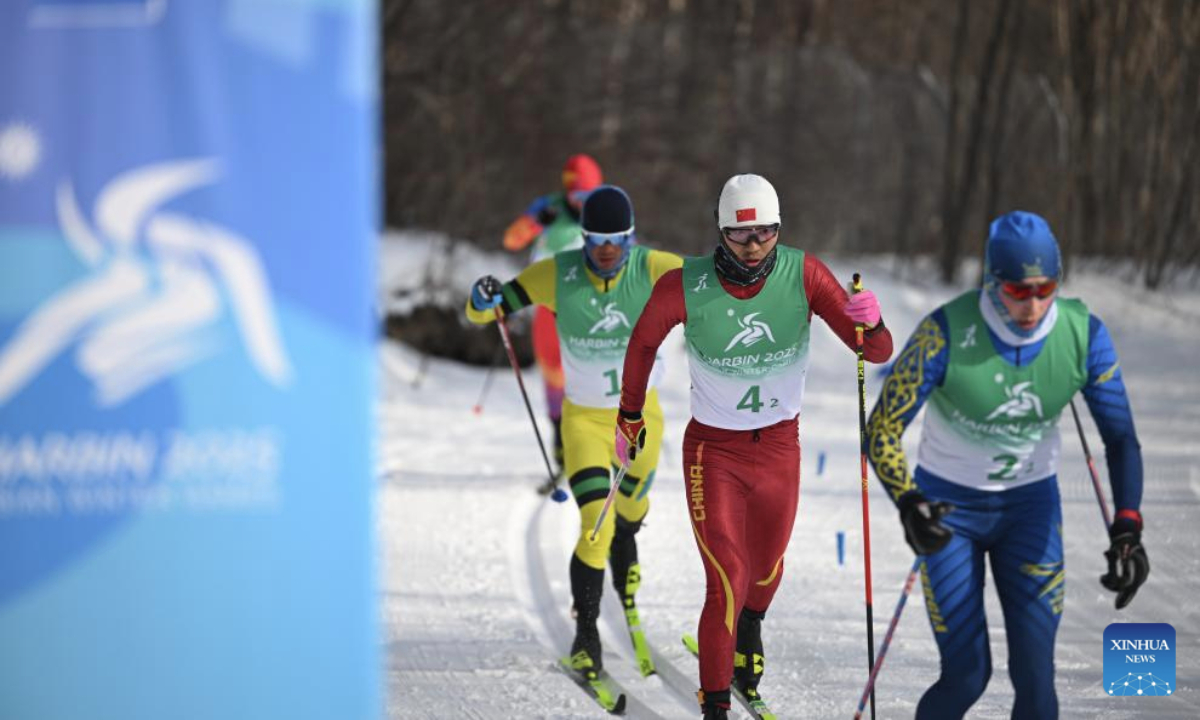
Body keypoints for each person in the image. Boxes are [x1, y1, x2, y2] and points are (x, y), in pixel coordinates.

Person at [616, 174, 893, 719]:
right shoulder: (684, 284)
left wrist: (872, 319)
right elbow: (644, 341)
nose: (753, 247)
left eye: (765, 234)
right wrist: (629, 413)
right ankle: (715, 705)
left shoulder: (804, 274)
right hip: (713, 453)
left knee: (766, 572)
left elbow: (876, 351)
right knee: (727, 578)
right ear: (720, 233)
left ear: (778, 229)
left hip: (779, 451)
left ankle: (751, 627)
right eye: (741, 236)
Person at [866, 210, 1149, 719]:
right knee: (967, 674)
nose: (1034, 304)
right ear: (993, 280)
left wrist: (1127, 525)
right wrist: (909, 503)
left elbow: (1122, 439)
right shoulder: (945, 332)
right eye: (1018, 291)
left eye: (1046, 288)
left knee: (1037, 682)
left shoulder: (1083, 333)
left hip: (1030, 511)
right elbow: (883, 428)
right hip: (949, 514)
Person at [468, 185, 683, 680]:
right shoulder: (558, 274)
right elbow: (487, 310)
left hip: (641, 420)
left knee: (629, 513)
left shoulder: (654, 268)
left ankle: (628, 552)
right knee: (594, 524)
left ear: (631, 239)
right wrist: (482, 298)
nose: (607, 251)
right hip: (584, 420)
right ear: (583, 237)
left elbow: (724, 282)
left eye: (617, 240)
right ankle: (586, 636)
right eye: (597, 240)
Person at [501, 154, 604, 471]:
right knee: (552, 367)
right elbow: (511, 240)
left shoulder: (607, 206)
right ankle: (561, 442)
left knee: (593, 368)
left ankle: (594, 441)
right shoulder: (549, 206)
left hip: (591, 303)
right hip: (549, 300)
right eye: (575, 196)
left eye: (587, 196)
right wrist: (535, 223)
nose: (580, 203)